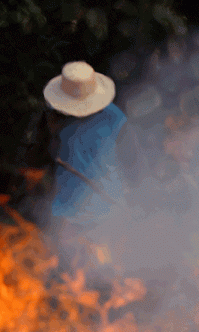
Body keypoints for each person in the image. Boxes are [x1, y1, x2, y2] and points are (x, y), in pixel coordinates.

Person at [41, 61, 139, 274]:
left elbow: (134, 166)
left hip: (105, 217)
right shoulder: (55, 119)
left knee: (101, 278)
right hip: (69, 217)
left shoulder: (115, 121)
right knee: (70, 279)